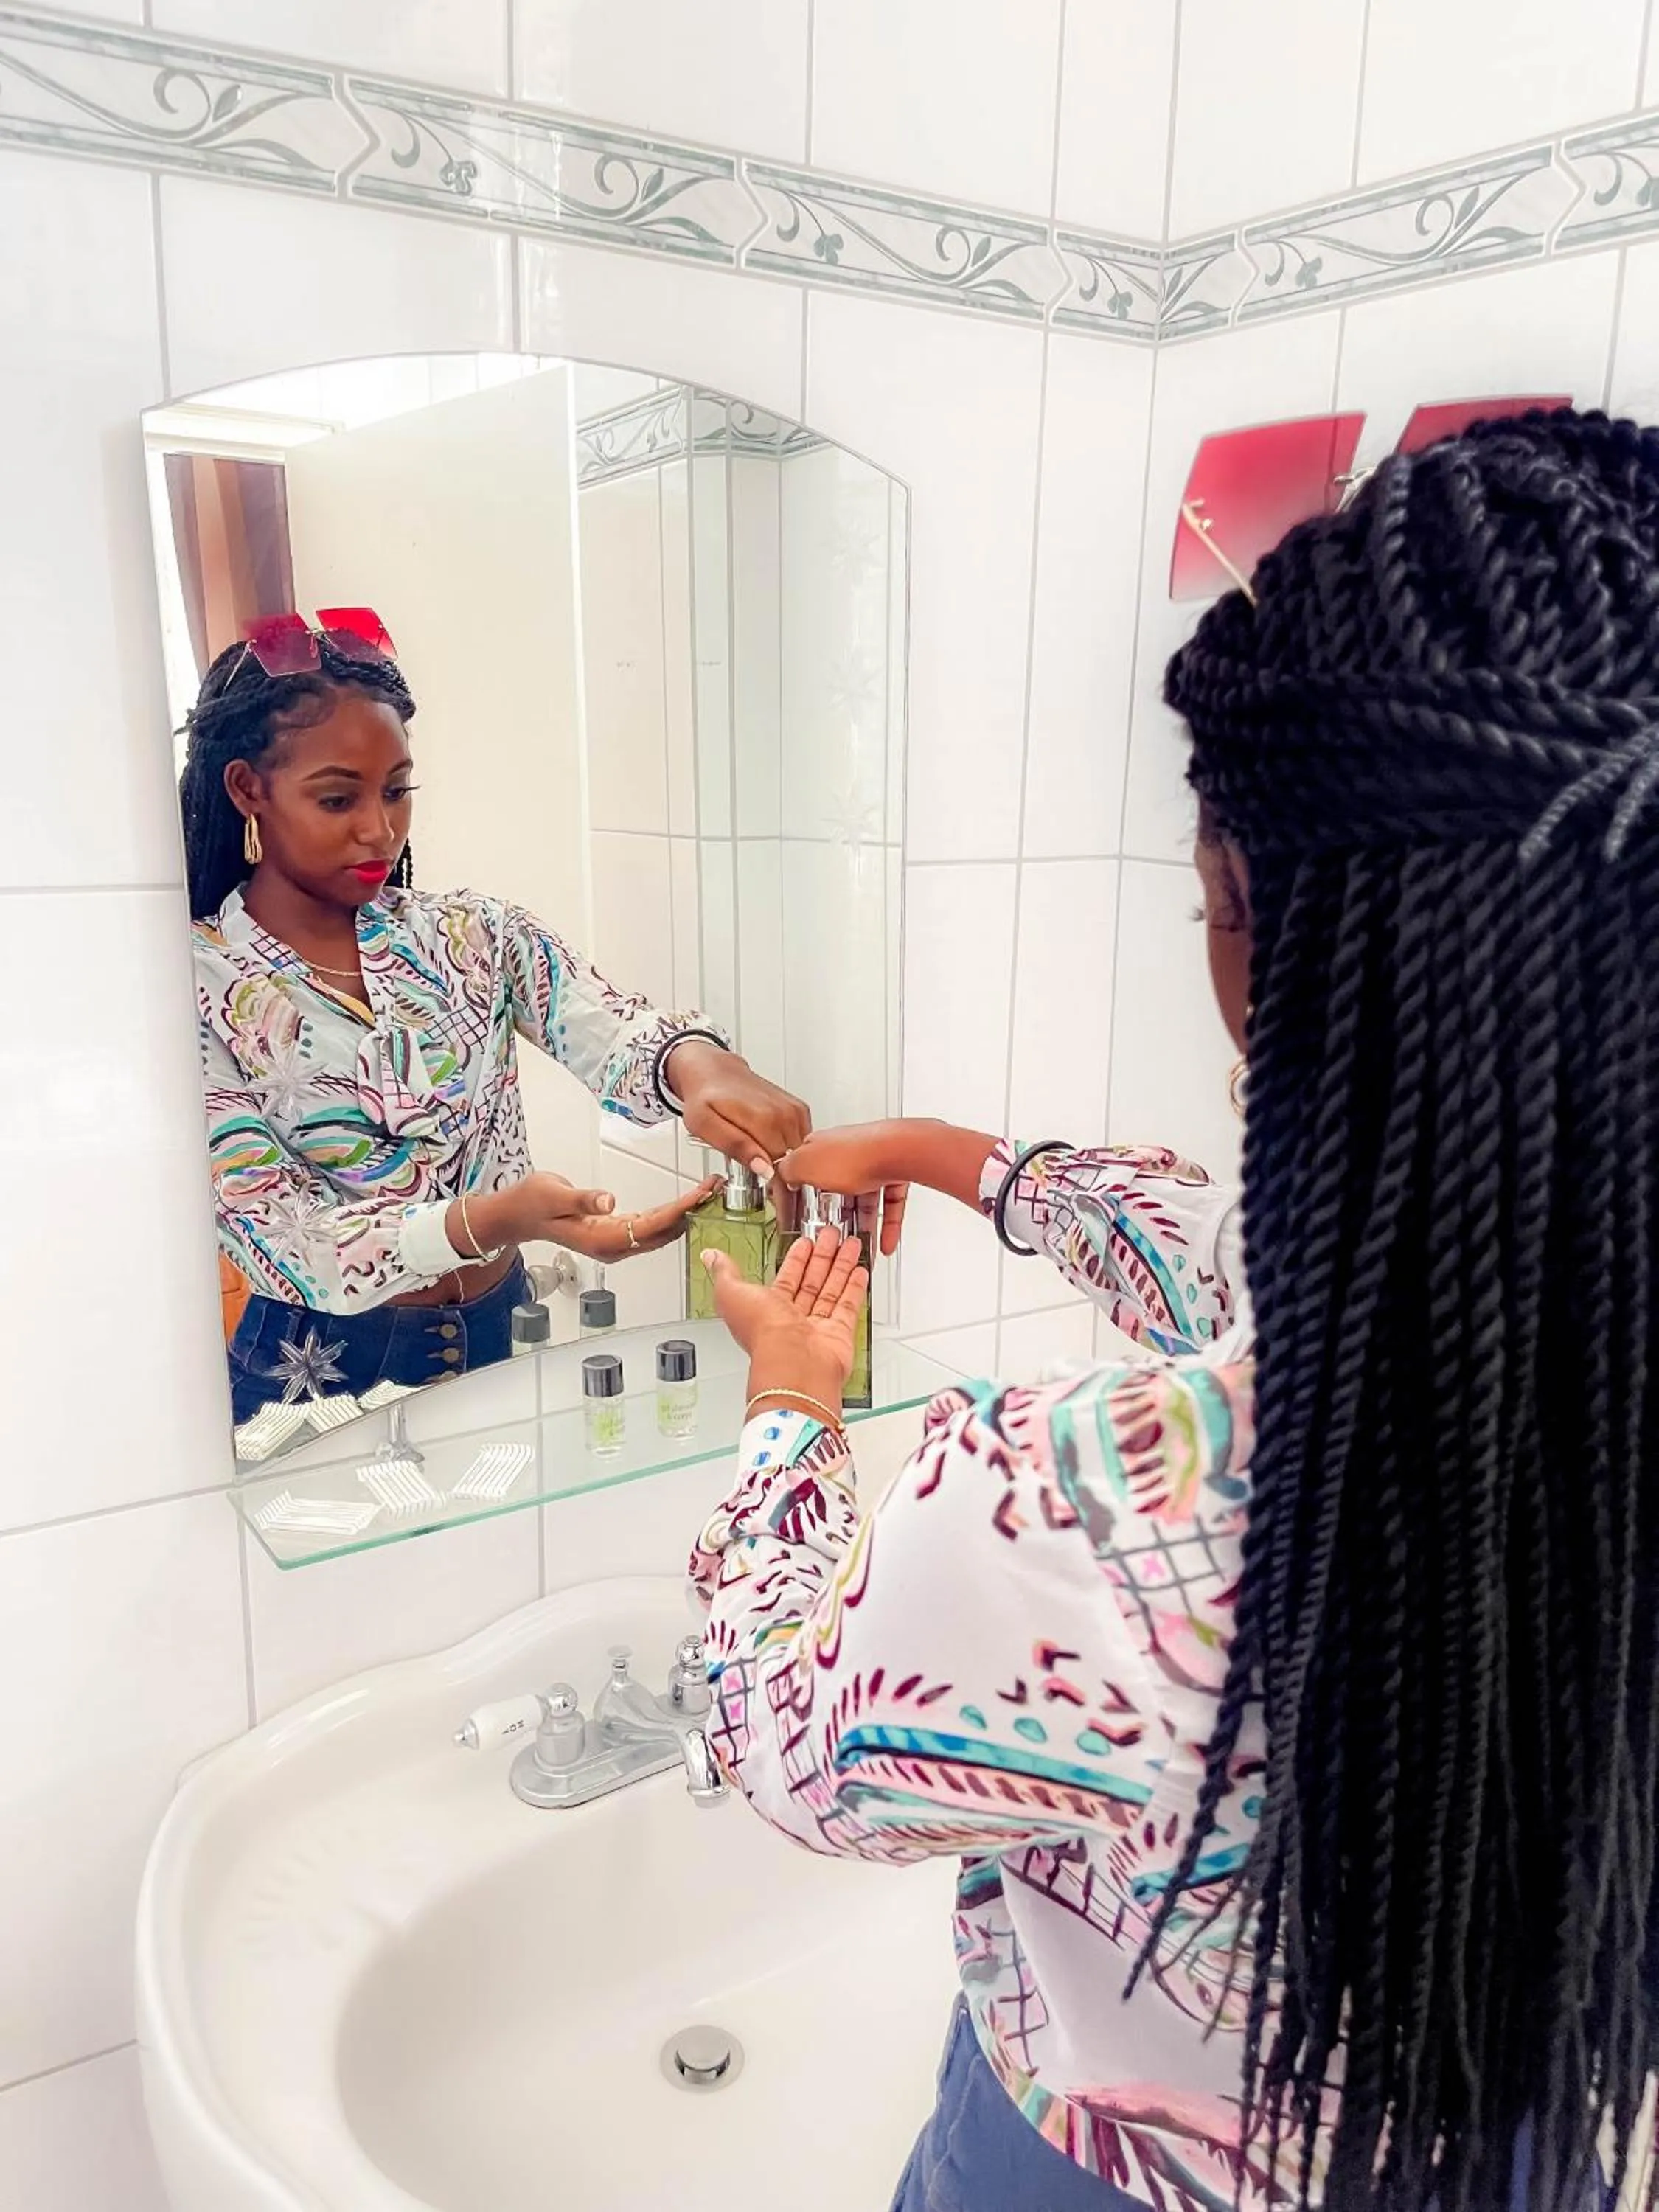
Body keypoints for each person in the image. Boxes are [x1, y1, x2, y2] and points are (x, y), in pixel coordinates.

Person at [692, 409, 1659, 2212]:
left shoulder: (1087, 1522)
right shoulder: (1555, 1319)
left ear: (1255, 926)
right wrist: (951, 1156)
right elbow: (1267, 1264)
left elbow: (782, 1740)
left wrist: (791, 1410)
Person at [181, 611, 808, 1423]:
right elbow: (277, 1229)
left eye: (397, 791)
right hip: (315, 1371)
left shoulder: (469, 936)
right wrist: (493, 1220)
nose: (379, 829)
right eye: (337, 798)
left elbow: (614, 1030)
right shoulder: (192, 987)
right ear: (247, 789)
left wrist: (702, 1066)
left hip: (503, 1332)